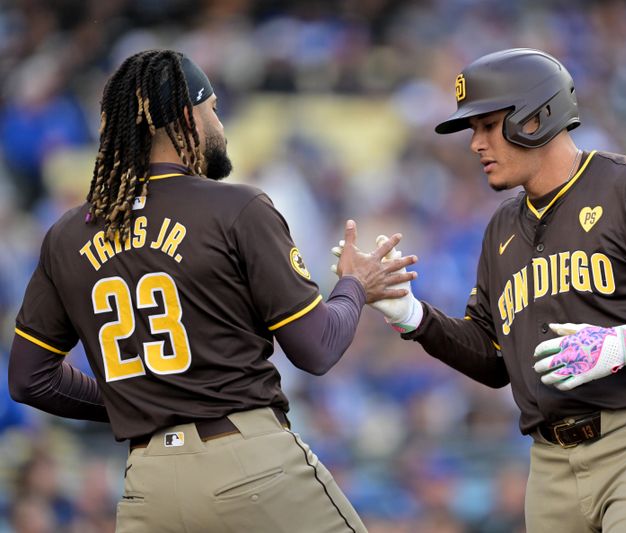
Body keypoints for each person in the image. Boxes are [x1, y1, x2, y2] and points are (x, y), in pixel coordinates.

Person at [357, 48, 626, 532]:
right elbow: (497, 362)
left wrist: (625, 343)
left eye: (488, 125)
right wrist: (412, 316)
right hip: (551, 466)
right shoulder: (501, 230)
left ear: (535, 117)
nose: (475, 144)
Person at [8, 49, 416, 533]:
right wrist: (354, 285)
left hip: (146, 486)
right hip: (248, 463)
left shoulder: (67, 234)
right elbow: (317, 349)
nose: (219, 123)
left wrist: (142, 400)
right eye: (214, 109)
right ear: (187, 117)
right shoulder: (237, 209)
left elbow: (29, 379)